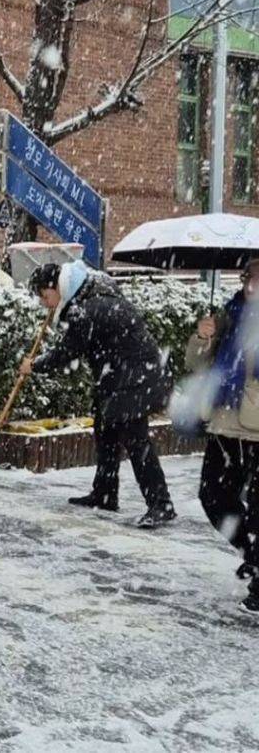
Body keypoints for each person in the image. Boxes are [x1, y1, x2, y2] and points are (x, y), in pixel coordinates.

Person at [21, 261, 175, 528]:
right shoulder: (89, 293)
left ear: (56, 287)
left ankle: (161, 504)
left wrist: (33, 365)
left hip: (135, 378)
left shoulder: (87, 308)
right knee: (105, 431)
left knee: (136, 441)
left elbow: (67, 352)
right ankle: (104, 493)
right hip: (119, 375)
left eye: (46, 297)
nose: (46, 304)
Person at [186, 261, 259, 617]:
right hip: (224, 421)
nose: (251, 286)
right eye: (250, 278)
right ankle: (251, 553)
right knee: (212, 495)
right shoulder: (229, 315)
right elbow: (195, 363)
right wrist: (204, 337)